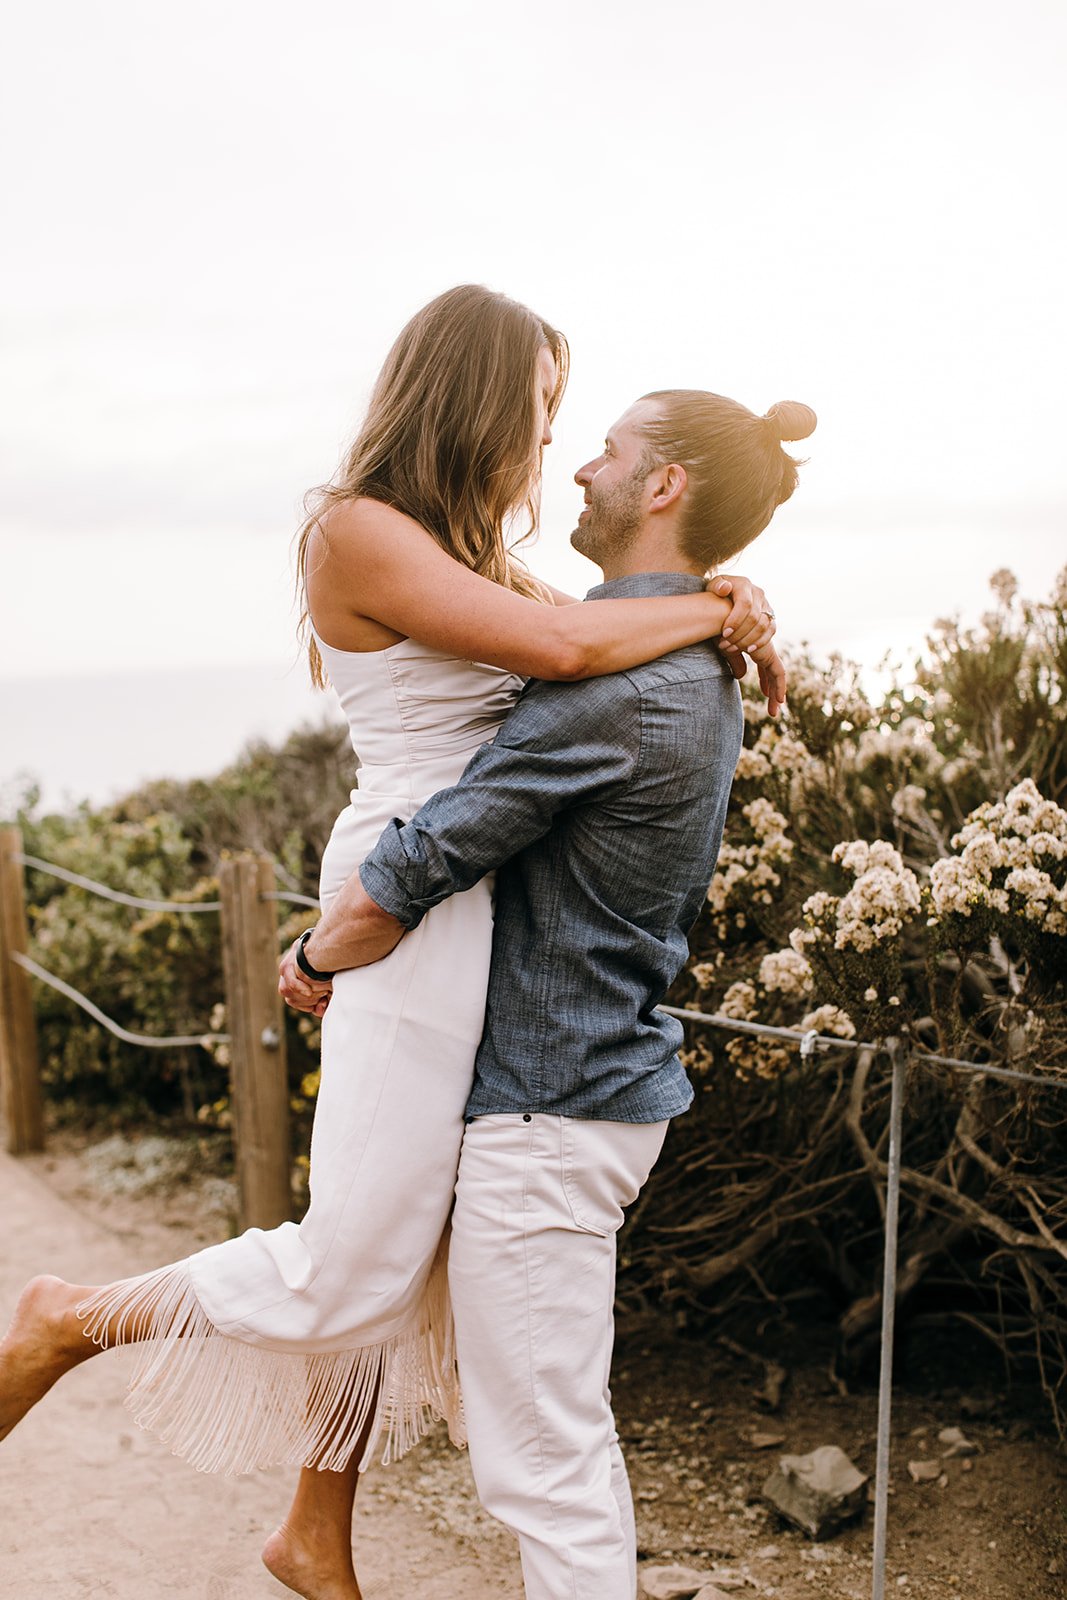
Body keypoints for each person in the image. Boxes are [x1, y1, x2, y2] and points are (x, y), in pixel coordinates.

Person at [0, 286, 781, 1600]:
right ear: (475, 396)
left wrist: (727, 590)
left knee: (395, 1244)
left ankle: (315, 1531)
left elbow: (595, 637)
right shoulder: (359, 532)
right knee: (350, 1262)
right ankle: (71, 1318)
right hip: (410, 897)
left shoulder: (469, 553)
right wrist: (718, 612)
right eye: (539, 413)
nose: (550, 447)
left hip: (460, 907)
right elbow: (569, 643)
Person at [278, 384, 817, 1600]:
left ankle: (73, 1323)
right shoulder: (660, 648)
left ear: (662, 485)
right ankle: (313, 1527)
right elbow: (566, 634)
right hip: (576, 1081)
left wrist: (315, 956)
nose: (574, 464)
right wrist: (725, 595)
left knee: (542, 1462)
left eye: (605, 446)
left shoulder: (616, 674)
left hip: (546, 1103)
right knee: (411, 1305)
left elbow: (428, 851)